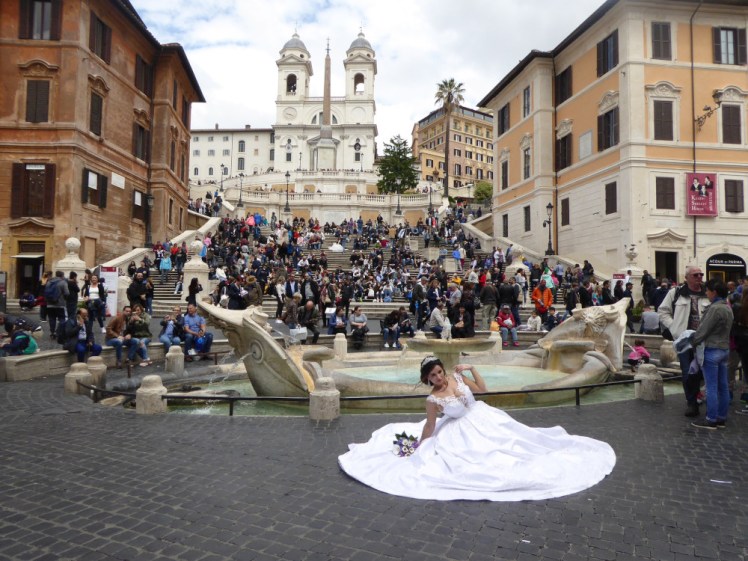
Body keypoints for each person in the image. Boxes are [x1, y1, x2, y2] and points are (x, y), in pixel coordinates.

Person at [338, 356, 616, 501]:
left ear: (442, 369)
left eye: (438, 372)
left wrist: (471, 369)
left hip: (484, 417)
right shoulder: (432, 399)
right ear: (426, 380)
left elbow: (482, 390)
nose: (437, 377)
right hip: (458, 429)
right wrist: (420, 445)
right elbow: (431, 426)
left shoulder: (458, 377)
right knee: (477, 460)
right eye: (431, 376)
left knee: (524, 445)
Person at [658, 266, 710, 417]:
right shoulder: (676, 293)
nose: (699, 277)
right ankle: (692, 403)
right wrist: (674, 327)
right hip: (684, 341)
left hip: (704, 340)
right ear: (687, 277)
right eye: (695, 275)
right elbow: (663, 311)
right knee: (688, 373)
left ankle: (701, 396)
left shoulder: (708, 292)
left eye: (701, 274)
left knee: (703, 372)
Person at [689, 279, 733, 429]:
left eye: (707, 290)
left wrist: (692, 342)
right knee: (723, 386)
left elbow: (703, 330)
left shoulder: (715, 309)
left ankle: (711, 419)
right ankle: (721, 417)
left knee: (711, 387)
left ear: (714, 292)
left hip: (712, 350)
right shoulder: (727, 307)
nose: (706, 293)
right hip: (724, 349)